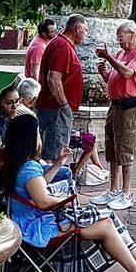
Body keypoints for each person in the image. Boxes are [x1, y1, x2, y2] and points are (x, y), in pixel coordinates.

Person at [2, 113, 136, 272]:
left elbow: (40, 184)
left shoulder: (20, 164)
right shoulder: (28, 167)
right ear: (29, 138)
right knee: (107, 224)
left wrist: (59, 163)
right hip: (37, 226)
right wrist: (66, 201)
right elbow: (43, 200)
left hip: (34, 219)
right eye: (38, 132)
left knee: (107, 219)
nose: (41, 137)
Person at [94, 21, 136, 209]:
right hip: (114, 106)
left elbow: (126, 73)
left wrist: (108, 58)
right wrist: (104, 73)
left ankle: (126, 192)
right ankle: (113, 190)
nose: (119, 40)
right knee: (112, 147)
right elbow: (113, 79)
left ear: (132, 34)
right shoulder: (120, 54)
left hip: (128, 107)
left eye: (121, 36)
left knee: (125, 147)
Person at [35, 13, 87, 161]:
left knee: (52, 152)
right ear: (78, 28)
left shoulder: (61, 43)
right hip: (56, 110)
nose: (86, 34)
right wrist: (65, 106)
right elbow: (53, 78)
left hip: (52, 108)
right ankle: (47, 183)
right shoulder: (63, 46)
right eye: (85, 30)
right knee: (54, 155)